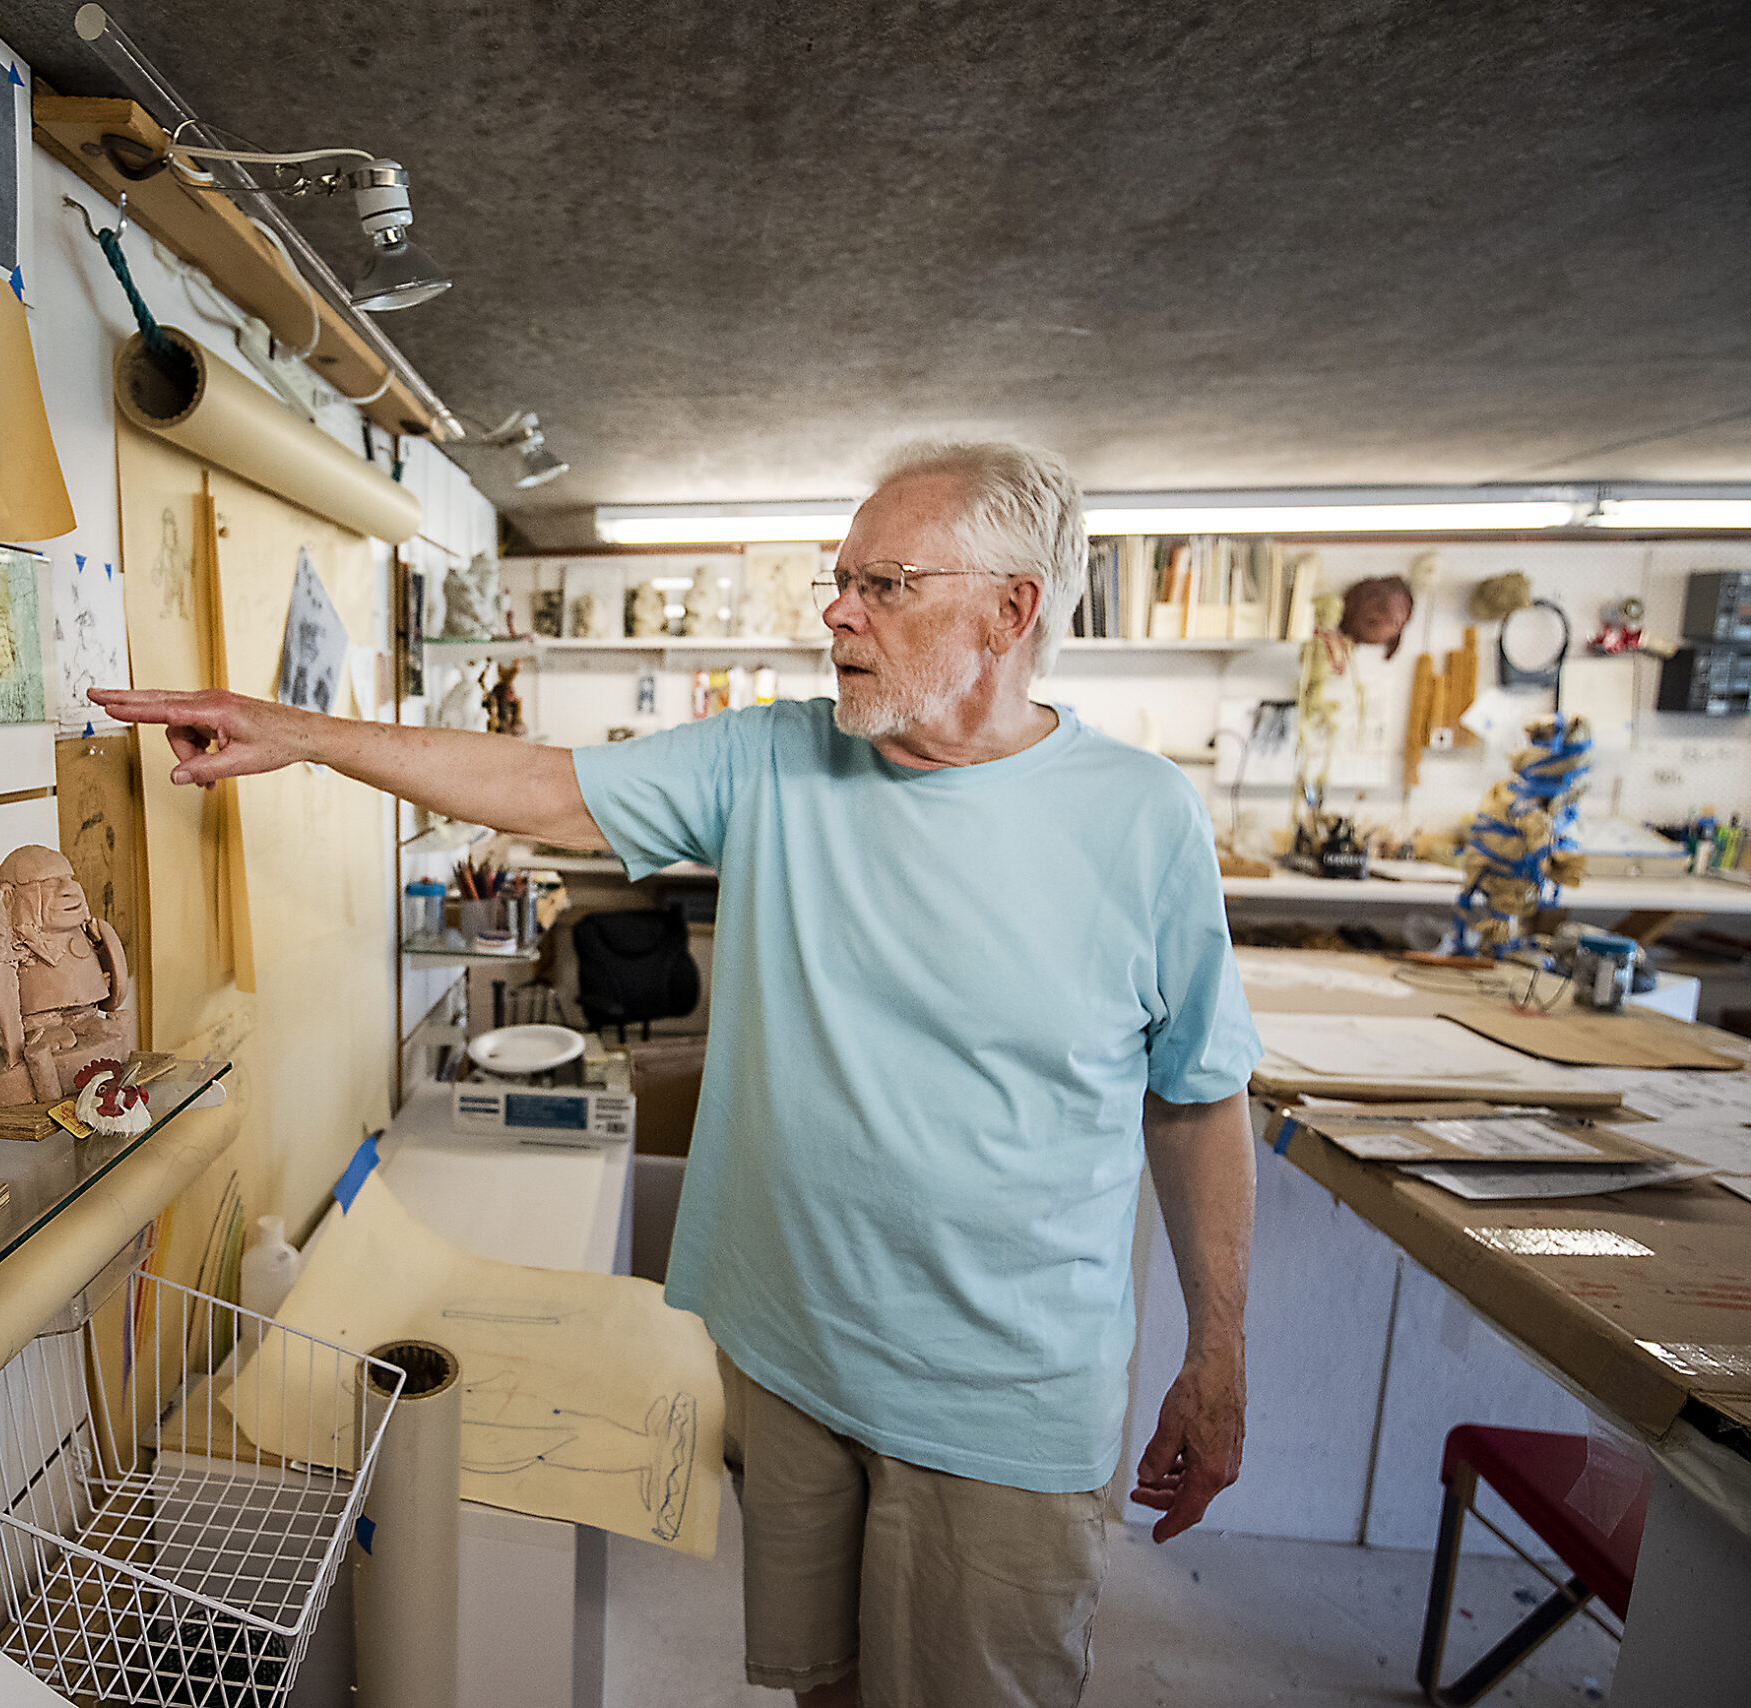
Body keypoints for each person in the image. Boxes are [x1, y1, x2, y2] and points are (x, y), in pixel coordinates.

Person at [88, 440, 1260, 1708]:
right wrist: (296, 733)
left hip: (998, 1404)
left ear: (1010, 609)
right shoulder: (774, 758)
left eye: (882, 583)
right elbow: (544, 786)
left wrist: (1220, 1348)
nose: (836, 610)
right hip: (796, 1360)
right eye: (839, 577)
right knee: (822, 1689)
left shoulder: (1140, 818)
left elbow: (1195, 1097)